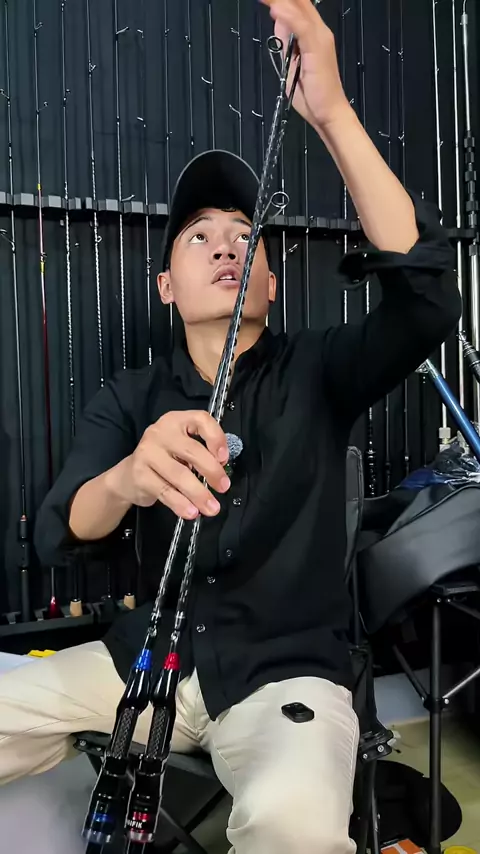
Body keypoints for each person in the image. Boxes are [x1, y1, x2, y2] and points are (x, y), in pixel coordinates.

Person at [0, 1, 461, 852]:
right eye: (200, 237)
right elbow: (62, 530)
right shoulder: (130, 396)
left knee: (293, 820)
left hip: (289, 679)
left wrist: (331, 110)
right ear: (165, 286)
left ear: (271, 283)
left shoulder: (321, 369)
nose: (226, 247)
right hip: (145, 663)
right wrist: (128, 478)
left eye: (247, 236)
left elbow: (428, 298)